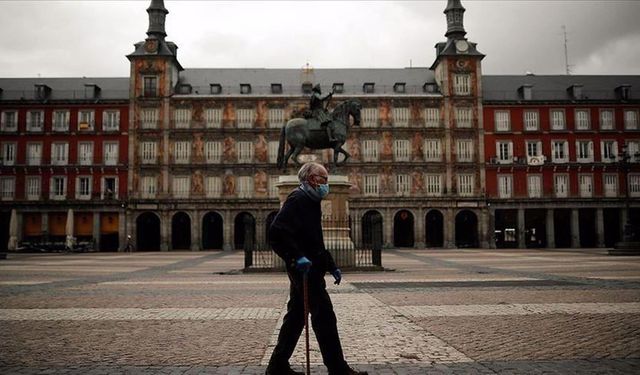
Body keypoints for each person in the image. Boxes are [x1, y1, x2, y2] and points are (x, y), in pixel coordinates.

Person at [266, 162, 367, 375]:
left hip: (311, 269)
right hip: (305, 271)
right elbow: (276, 233)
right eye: (324, 180)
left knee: (296, 317)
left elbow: (314, 241)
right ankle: (338, 369)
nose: (326, 185)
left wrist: (331, 265)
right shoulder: (298, 199)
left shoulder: (311, 201)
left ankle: (277, 367)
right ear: (312, 179)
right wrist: (296, 257)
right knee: (325, 317)